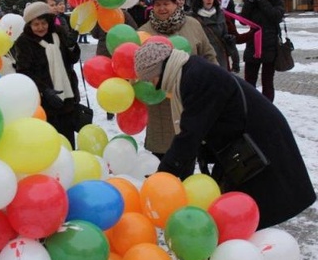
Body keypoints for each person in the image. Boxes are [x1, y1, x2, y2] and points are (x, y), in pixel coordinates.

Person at [134, 42, 316, 229]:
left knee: (256, 205)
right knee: (233, 201)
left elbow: (190, 135)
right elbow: (196, 130)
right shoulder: (188, 71)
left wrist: (163, 177)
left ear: (160, 70)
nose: (152, 85)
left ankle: (254, 247)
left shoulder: (196, 78)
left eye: (150, 79)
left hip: (258, 140)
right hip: (242, 138)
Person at [138, 0, 217, 157]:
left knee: (192, 150)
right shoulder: (144, 32)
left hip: (192, 100)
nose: (162, 8)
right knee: (164, 155)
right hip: (161, 106)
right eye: (157, 4)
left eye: (166, 3)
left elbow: (208, 55)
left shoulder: (193, 25)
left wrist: (214, 83)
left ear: (176, 3)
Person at [13, 2, 81, 148]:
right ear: (29, 25)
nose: (40, 27)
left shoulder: (59, 34)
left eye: (43, 23)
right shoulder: (24, 42)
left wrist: (72, 46)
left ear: (49, 22)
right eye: (36, 24)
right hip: (45, 101)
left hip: (67, 96)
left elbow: (72, 60)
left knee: (68, 140)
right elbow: (24, 71)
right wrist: (45, 90)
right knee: (49, 141)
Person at [241, 0, 285, 102]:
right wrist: (249, 2)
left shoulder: (276, 2)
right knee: (249, 81)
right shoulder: (252, 2)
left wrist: (262, 1)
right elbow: (244, 20)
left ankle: (267, 108)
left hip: (270, 46)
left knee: (267, 81)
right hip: (252, 45)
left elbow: (276, 16)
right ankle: (250, 106)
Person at [91, 11, 137, 120]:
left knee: (108, 81)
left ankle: (110, 108)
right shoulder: (124, 14)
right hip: (122, 52)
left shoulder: (100, 15)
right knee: (124, 79)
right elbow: (134, 29)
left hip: (105, 52)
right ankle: (124, 106)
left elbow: (95, 34)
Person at [190, 0, 234, 70]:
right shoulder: (192, 17)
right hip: (201, 58)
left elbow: (225, 33)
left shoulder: (220, 15)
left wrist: (229, 39)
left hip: (220, 57)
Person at [218, 0, 240, 72]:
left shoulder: (228, 0)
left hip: (229, 26)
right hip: (228, 25)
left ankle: (236, 66)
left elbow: (227, 13)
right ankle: (234, 65)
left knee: (232, 47)